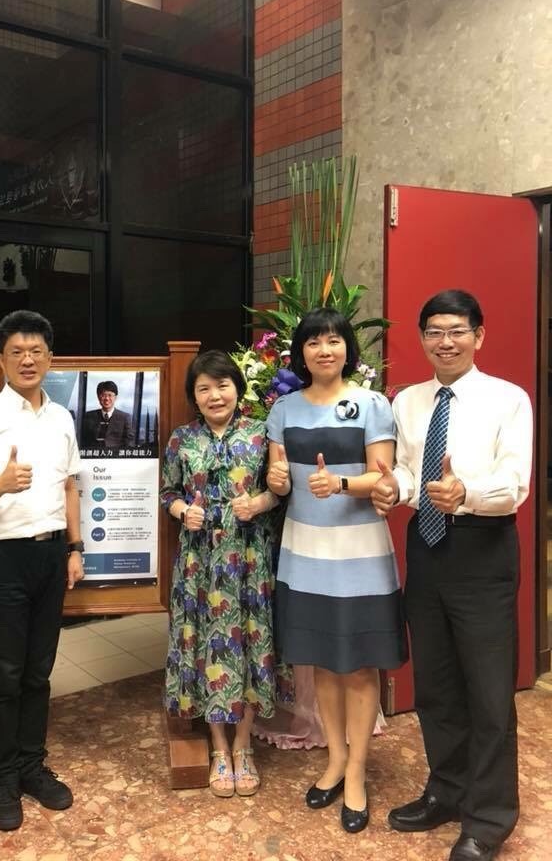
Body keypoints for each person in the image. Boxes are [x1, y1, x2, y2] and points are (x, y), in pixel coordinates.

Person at [371, 289, 533, 861]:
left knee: (488, 691)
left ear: (478, 336)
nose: (445, 342)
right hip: (427, 547)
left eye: (457, 330)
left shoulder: (508, 399)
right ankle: (447, 790)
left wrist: (466, 492)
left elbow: (515, 482)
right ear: (422, 339)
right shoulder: (409, 401)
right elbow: (408, 472)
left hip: (483, 548)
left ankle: (489, 818)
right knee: (435, 684)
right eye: (434, 332)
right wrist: (395, 488)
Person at [266, 308, 407, 834]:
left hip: (360, 552)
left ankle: (357, 773)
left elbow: (383, 478)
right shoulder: (283, 408)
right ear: (300, 353)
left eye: (333, 341)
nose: (324, 350)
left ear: (348, 348)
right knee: (323, 663)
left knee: (361, 665)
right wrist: (278, 480)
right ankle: (335, 760)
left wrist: (342, 485)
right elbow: (280, 477)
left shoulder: (370, 404)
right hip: (305, 552)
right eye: (313, 342)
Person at [0, 310, 84, 832]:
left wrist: (75, 548)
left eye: (36, 351)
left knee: (39, 672)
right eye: (17, 352)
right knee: (5, 674)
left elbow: (70, 486)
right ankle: (3, 777)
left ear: (50, 358)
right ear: (0, 360)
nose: (27, 360)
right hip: (3, 557)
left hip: (51, 556)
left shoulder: (62, 417)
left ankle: (32, 765)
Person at [161, 350, 288, 797]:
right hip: (199, 562)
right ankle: (218, 747)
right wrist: (183, 511)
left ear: (238, 388)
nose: (215, 395)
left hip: (249, 560)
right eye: (204, 388)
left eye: (222, 385)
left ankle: (244, 746)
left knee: (251, 642)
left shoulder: (262, 434)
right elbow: (168, 492)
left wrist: (259, 503)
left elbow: (280, 490)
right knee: (206, 646)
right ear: (194, 396)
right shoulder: (181, 439)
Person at [81, 380, 135, 449]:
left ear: (115, 397)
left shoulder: (125, 417)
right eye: (103, 395)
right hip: (93, 454)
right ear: (98, 397)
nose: (106, 398)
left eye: (110, 395)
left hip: (116, 455)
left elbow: (129, 443)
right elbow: (82, 440)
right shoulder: (89, 416)